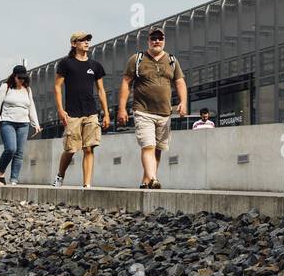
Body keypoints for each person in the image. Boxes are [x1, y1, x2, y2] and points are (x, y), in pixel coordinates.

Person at [117, 27, 188, 189]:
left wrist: (183, 102)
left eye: (160, 38)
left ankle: (146, 180)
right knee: (148, 146)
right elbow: (126, 82)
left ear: (164, 41)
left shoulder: (172, 60)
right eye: (153, 38)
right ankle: (154, 179)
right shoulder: (137, 59)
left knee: (157, 149)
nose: (157, 41)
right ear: (148, 41)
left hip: (164, 113)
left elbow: (180, 82)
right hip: (143, 111)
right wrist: (122, 108)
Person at [53, 33, 108, 188]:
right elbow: (57, 87)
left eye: (88, 40)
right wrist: (60, 109)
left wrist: (106, 113)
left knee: (89, 148)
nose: (86, 42)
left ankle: (87, 184)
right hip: (72, 113)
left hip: (91, 112)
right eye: (83, 40)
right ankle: (60, 176)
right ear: (73, 44)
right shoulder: (66, 63)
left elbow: (101, 90)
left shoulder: (95, 65)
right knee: (70, 150)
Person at [0, 64, 42, 185]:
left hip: (24, 124)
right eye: (19, 77)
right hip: (7, 122)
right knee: (11, 149)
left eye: (23, 78)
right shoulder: (5, 87)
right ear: (14, 76)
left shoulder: (27, 89)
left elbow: (31, 107)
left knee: (19, 152)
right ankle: (0, 172)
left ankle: (14, 180)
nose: (21, 80)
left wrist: (36, 124)